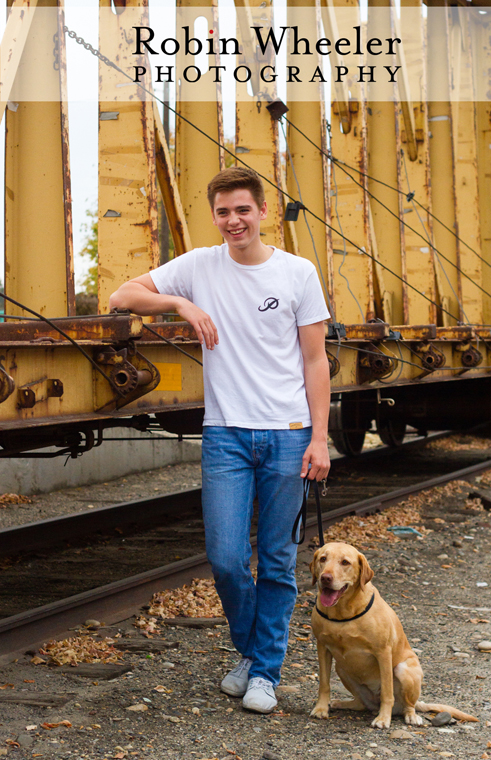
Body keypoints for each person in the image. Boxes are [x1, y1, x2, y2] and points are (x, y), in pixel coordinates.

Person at [109, 166, 331, 714]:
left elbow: (315, 359)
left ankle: (264, 673)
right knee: (228, 558)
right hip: (226, 435)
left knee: (277, 561)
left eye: (243, 210)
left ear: (262, 212)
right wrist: (182, 304)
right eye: (223, 212)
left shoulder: (298, 273)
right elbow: (121, 295)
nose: (234, 221)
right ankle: (254, 654)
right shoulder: (199, 267)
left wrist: (320, 439)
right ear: (215, 216)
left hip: (287, 434)